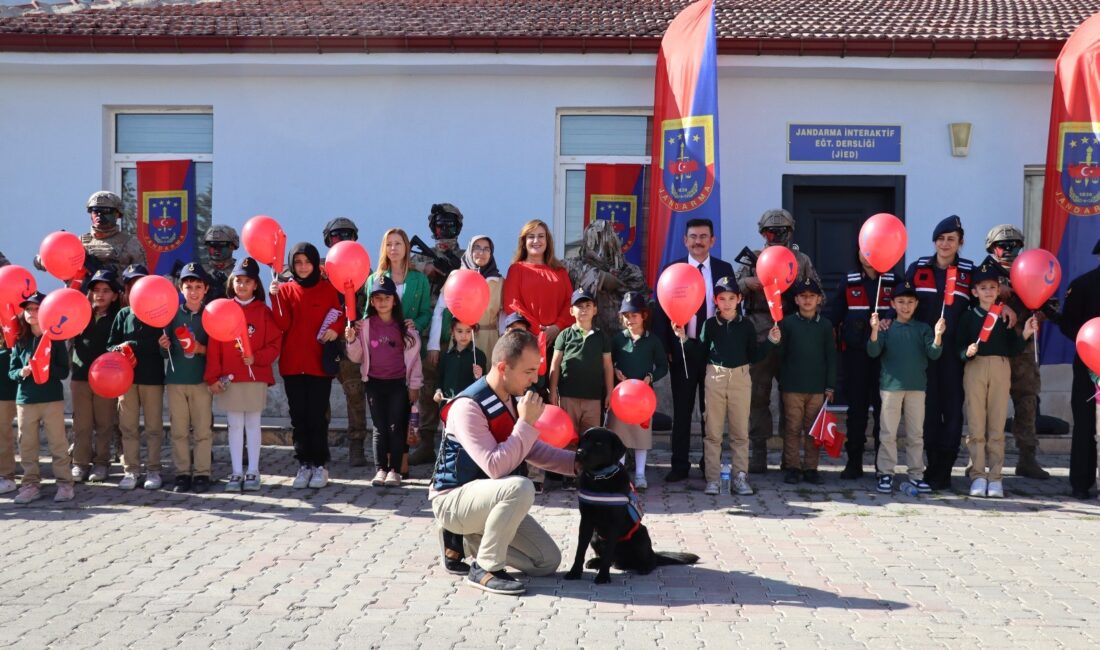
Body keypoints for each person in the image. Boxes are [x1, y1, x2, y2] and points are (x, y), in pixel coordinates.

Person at [429, 330, 576, 596]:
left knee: (546, 561)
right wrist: (526, 423)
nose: (534, 379)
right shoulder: (468, 406)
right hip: (452, 502)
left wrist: (582, 465)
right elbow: (495, 467)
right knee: (521, 487)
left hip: (487, 500)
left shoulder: (511, 400)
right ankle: (485, 567)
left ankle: (466, 541)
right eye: (529, 371)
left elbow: (535, 450)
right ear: (502, 368)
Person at [736, 209, 823, 474]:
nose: (774, 237)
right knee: (757, 397)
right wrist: (748, 283)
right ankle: (758, 453)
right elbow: (728, 291)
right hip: (760, 331)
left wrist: (798, 288)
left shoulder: (801, 259)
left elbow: (820, 296)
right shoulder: (753, 259)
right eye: (768, 232)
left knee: (793, 397)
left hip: (793, 334)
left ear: (791, 232)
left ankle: (791, 457)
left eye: (779, 232)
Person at [675, 277, 777, 495]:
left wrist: (770, 341)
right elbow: (700, 353)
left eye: (732, 298)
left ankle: (740, 477)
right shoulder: (710, 325)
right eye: (722, 298)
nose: (727, 303)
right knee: (713, 432)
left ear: (739, 299)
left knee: (740, 432)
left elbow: (754, 355)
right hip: (715, 377)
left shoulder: (746, 326)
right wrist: (684, 339)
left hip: (741, 377)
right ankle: (713, 479)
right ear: (716, 301)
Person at [653, 218, 735, 482]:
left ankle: (708, 463)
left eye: (703, 236)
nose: (698, 241)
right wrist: (665, 347)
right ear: (685, 241)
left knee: (711, 412)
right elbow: (660, 311)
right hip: (682, 349)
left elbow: (733, 307)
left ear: (712, 240)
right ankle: (679, 465)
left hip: (714, 353)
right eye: (693, 237)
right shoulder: (672, 269)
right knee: (683, 409)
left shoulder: (724, 269)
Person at [905, 215, 975, 490]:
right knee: (929, 413)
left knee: (953, 412)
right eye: (941, 239)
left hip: (955, 355)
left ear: (960, 243)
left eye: (951, 239)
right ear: (934, 241)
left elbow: (989, 293)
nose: (945, 244)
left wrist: (1003, 303)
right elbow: (902, 298)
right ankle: (931, 466)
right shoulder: (918, 268)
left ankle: (945, 469)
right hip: (924, 354)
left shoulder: (970, 271)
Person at [957, 260, 1038, 498]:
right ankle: (978, 475)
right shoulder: (968, 316)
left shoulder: (1003, 317)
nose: (988, 292)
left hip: (1001, 367)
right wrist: (966, 352)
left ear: (998, 290)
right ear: (974, 292)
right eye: (983, 288)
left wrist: (1025, 334)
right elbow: (958, 346)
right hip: (976, 367)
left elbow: (1013, 348)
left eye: (993, 287)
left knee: (996, 425)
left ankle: (996, 477)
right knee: (975, 424)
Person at [421, 234, 504, 465]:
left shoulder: (499, 281)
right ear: (469, 251)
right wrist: (434, 344)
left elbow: (503, 316)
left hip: (489, 339)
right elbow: (439, 310)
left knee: (489, 394)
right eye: (476, 248)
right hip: (461, 340)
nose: (481, 252)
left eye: (486, 248)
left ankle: (487, 451)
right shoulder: (456, 277)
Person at [271, 243, 345, 490]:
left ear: (315, 264)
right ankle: (304, 463)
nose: (303, 267)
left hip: (318, 364)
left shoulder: (327, 290)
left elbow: (339, 315)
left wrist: (334, 331)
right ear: (292, 265)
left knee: (317, 417)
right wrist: (274, 296)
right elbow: (281, 324)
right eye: (298, 262)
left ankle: (320, 465)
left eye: (307, 262)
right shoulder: (285, 290)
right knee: (298, 418)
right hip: (293, 364)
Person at [986, 224, 1053, 479]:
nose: (1009, 250)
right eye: (1004, 245)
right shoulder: (983, 272)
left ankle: (1027, 458)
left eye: (1015, 245)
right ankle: (982, 461)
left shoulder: (1031, 268)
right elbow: (971, 301)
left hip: (1023, 350)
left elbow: (1050, 303)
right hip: (993, 348)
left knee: (1027, 402)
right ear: (992, 248)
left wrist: (1042, 311)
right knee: (989, 405)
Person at [209, 258, 282, 492]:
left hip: (254, 374)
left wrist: (257, 358)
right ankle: (236, 472)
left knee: (252, 423)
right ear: (232, 282)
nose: (242, 285)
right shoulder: (222, 308)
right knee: (234, 424)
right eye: (238, 280)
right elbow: (214, 344)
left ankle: (253, 471)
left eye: (247, 281)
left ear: (255, 285)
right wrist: (213, 376)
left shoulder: (263, 311)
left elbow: (274, 343)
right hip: (229, 376)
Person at [345, 276, 424, 488]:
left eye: (386, 297)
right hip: (374, 383)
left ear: (394, 301)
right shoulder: (365, 327)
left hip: (398, 384)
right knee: (380, 427)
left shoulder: (406, 329)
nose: (382, 302)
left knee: (396, 427)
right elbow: (356, 356)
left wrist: (414, 385)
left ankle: (395, 471)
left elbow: (415, 361)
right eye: (377, 298)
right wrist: (352, 339)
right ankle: (380, 469)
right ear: (371, 302)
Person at [867, 281, 944, 495]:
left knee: (916, 434)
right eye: (901, 302)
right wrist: (874, 330)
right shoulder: (886, 326)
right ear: (892, 303)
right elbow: (873, 351)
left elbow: (934, 353)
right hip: (891, 387)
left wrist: (938, 335)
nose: (906, 306)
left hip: (917, 388)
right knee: (888, 432)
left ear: (917, 304)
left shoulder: (923, 328)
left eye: (910, 302)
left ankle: (916, 474)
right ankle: (885, 473)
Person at [829, 253, 897, 479]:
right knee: (856, 411)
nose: (869, 255)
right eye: (864, 249)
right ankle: (854, 462)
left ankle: (882, 465)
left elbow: (904, 308)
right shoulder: (849, 280)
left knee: (883, 411)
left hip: (885, 357)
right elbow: (834, 314)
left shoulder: (893, 280)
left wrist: (890, 316)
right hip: (855, 356)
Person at [371, 228, 431, 472]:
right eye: (389, 244)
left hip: (409, 351)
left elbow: (426, 311)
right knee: (385, 414)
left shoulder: (419, 279)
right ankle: (385, 463)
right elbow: (368, 313)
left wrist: (416, 324)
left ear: (407, 247)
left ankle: (402, 460)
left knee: (406, 406)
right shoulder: (375, 278)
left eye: (398, 243)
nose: (394, 248)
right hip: (383, 353)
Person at [410, 204, 464, 465]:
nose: (444, 231)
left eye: (450, 226)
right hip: (428, 333)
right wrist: (427, 270)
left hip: (457, 333)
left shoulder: (466, 257)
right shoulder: (421, 258)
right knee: (427, 388)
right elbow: (400, 264)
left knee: (456, 388)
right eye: (439, 226)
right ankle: (425, 442)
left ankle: (454, 443)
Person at [8, 291, 73, 504]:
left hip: (50, 398)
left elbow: (63, 371)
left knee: (57, 443)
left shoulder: (54, 338)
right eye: (28, 309)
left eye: (36, 308)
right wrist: (22, 372)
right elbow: (12, 371)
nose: (32, 313)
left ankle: (64, 484)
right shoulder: (20, 339)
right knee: (27, 444)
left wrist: (44, 368)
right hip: (25, 399)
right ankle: (30, 485)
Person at [547, 289, 613, 492]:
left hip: (593, 397)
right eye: (579, 306)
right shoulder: (565, 335)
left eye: (587, 306)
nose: (583, 310)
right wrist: (552, 392)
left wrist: (609, 392)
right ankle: (569, 474)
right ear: (571, 311)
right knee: (569, 437)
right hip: (568, 395)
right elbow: (555, 365)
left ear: (595, 310)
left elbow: (608, 366)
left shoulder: (602, 337)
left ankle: (587, 474)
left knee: (590, 438)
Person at [108, 264, 166, 491]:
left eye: (139, 283)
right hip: (126, 381)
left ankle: (154, 469)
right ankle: (131, 470)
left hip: (151, 378)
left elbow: (162, 347)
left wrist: (133, 344)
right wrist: (119, 348)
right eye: (130, 285)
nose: (135, 288)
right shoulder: (123, 315)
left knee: (153, 427)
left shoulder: (159, 314)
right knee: (128, 427)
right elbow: (110, 345)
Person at [774, 278, 836, 485]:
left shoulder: (826, 325)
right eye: (803, 296)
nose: (808, 300)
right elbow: (780, 354)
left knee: (813, 429)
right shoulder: (788, 323)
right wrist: (783, 380)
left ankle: (810, 467)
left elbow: (831, 357)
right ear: (797, 300)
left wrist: (830, 385)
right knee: (792, 428)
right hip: (792, 386)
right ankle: (792, 466)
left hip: (817, 388)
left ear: (819, 299)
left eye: (812, 296)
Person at [321, 217, 372, 468]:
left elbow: (371, 307)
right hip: (323, 340)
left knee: (354, 393)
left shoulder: (364, 270)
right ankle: (319, 444)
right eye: (335, 237)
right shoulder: (319, 269)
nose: (340, 242)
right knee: (319, 396)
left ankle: (356, 445)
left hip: (350, 340)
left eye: (346, 236)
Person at [160, 264, 213, 493]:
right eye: (188, 286)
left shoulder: (211, 315)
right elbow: (165, 352)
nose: (193, 291)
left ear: (206, 289)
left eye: (197, 287)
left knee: (202, 430)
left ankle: (202, 473)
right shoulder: (172, 314)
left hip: (201, 381)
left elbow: (218, 350)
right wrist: (163, 346)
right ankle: (182, 473)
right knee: (179, 430)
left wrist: (202, 348)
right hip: (176, 380)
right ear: (180, 288)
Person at [607, 292, 668, 491]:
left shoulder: (653, 341)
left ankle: (640, 474)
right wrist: (615, 369)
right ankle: (621, 473)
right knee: (620, 435)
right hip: (621, 397)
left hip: (643, 398)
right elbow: (609, 362)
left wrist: (650, 377)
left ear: (644, 315)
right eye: (626, 316)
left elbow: (662, 366)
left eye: (634, 315)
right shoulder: (617, 340)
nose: (630, 320)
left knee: (641, 437)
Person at [70, 269, 122, 484]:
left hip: (106, 379)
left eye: (106, 290)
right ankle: (80, 463)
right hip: (80, 375)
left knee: (104, 423)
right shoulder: (80, 312)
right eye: (96, 290)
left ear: (115, 295)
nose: (100, 295)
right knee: (81, 424)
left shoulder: (118, 317)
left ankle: (101, 463)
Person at [1058, 237, 1100, 499]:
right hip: (1088, 364)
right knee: (1084, 424)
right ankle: (1081, 484)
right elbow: (1067, 324)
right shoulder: (1083, 285)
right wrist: (1089, 340)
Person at [563, 219, 648, 334]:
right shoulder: (574, 266)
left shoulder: (629, 270)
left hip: (622, 337)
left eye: (603, 239)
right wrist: (599, 276)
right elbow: (557, 268)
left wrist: (612, 280)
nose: (599, 247)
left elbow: (640, 299)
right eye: (595, 240)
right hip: (587, 336)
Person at [52, 191, 146, 286]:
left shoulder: (130, 243)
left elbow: (141, 280)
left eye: (106, 211)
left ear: (117, 214)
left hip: (116, 298)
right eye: (95, 211)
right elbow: (49, 263)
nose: (99, 215)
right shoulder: (79, 242)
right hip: (81, 298)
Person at [434, 321, 487, 404]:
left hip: (468, 406)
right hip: (448, 405)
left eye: (468, 331)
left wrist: (478, 377)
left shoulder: (479, 356)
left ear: (473, 332)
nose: (464, 335)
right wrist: (438, 391)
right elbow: (439, 380)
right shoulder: (446, 356)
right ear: (452, 332)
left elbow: (483, 386)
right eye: (459, 331)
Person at [199, 224, 240, 302]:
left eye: (221, 245)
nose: (216, 249)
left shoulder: (241, 271)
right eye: (212, 245)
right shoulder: (199, 271)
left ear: (232, 246)